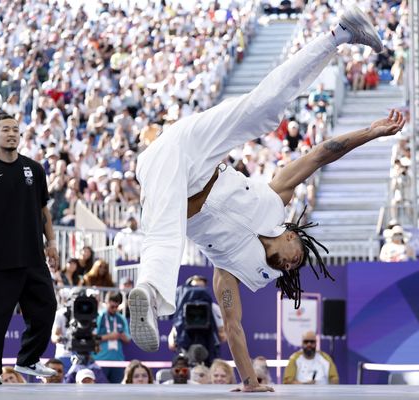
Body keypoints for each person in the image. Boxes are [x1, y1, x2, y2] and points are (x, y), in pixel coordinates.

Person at [127, 7, 397, 393]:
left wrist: (251, 382)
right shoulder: (277, 199)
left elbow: (234, 327)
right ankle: (339, 33)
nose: (292, 261)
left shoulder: (233, 269)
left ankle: (148, 298)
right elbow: (322, 153)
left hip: (167, 180)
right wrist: (370, 133)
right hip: (196, 150)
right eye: (298, 252)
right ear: (291, 233)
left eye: (293, 267)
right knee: (263, 108)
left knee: (164, 231)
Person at [0, 112, 58, 385]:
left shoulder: (35, 169)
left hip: (32, 256)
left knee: (47, 307)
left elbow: (43, 211)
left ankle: (28, 359)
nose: (12, 133)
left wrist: (51, 243)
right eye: (5, 129)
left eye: (16, 129)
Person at [94, 291, 131, 383]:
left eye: (116, 307)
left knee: (117, 391)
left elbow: (128, 339)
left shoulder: (121, 318)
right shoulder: (99, 316)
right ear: (106, 303)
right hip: (100, 360)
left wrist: (120, 336)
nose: (114, 309)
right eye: (112, 307)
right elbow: (93, 338)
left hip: (118, 361)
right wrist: (109, 337)